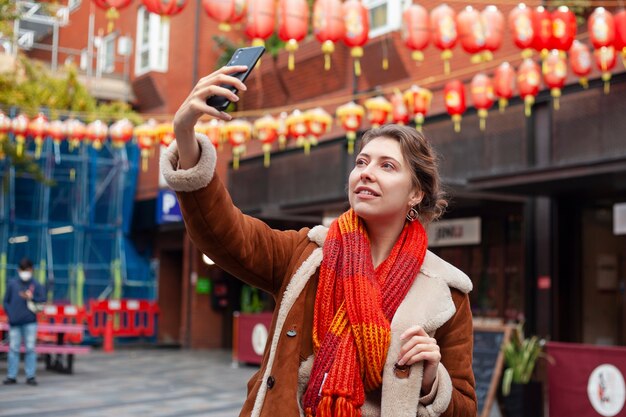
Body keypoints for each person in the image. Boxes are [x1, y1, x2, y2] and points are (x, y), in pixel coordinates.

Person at [160, 66, 476, 417]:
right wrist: (185, 134)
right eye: (361, 162)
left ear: (416, 193)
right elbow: (224, 233)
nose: (366, 172)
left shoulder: (446, 292)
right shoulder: (307, 254)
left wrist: (432, 380)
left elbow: (465, 407)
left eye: (387, 166)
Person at [3, 258, 46, 386]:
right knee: (13, 349)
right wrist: (11, 315)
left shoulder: (36, 284)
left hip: (30, 322)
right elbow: (6, 301)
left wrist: (31, 297)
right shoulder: (12, 283)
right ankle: (11, 376)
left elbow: (42, 300)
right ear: (18, 270)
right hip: (14, 322)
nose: (24, 272)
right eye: (22, 270)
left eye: (27, 270)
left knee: (30, 349)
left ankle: (30, 376)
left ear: (32, 270)